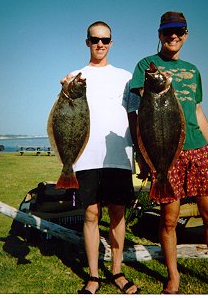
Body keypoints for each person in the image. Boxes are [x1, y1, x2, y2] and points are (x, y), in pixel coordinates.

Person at [130, 11, 208, 294]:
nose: (173, 36)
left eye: (179, 31)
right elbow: (140, 110)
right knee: (169, 218)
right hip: (167, 153)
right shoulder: (146, 65)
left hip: (198, 151)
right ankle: (174, 279)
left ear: (186, 34)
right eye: (168, 31)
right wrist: (143, 156)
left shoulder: (193, 70)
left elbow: (197, 112)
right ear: (159, 34)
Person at [61, 21, 139, 294]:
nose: (100, 44)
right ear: (87, 42)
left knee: (117, 213)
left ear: (112, 42)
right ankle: (94, 275)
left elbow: (137, 116)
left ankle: (117, 271)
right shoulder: (75, 76)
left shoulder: (126, 77)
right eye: (95, 39)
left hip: (118, 155)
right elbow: (63, 118)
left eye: (105, 39)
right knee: (91, 213)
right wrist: (63, 89)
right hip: (84, 156)